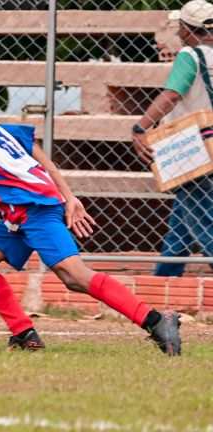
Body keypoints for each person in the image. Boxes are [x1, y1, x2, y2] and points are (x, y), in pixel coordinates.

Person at [0, 65, 182, 355]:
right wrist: (67, 195)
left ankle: (157, 319)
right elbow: (31, 146)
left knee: (74, 276)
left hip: (33, 207)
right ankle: (23, 334)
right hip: (26, 207)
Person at [132, 0, 213, 277]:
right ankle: (164, 280)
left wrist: (141, 127)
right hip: (208, 146)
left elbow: (172, 94)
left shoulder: (191, 55)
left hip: (194, 149)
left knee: (204, 223)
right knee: (184, 221)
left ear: (187, 29)